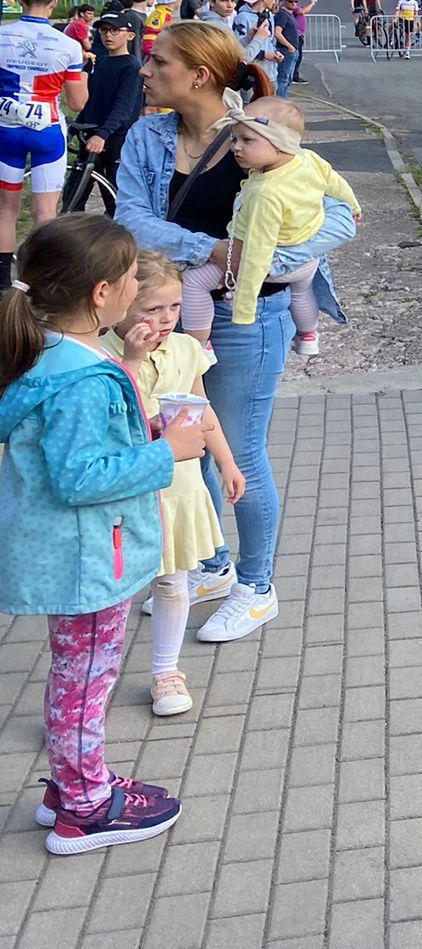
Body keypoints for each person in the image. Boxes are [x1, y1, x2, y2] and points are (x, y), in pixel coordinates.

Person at [116, 22, 356, 644]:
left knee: (240, 451)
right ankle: (214, 565)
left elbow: (338, 214)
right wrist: (218, 250)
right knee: (186, 440)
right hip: (171, 312)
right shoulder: (148, 134)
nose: (145, 70)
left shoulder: (261, 129)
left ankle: (257, 586)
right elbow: (132, 219)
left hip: (251, 315)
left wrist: (273, 261)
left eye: (158, 61)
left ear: (199, 75)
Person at [0, 215, 202, 854]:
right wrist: (166, 452)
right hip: (87, 558)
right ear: (102, 294)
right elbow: (79, 476)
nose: (136, 290)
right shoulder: (83, 379)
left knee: (78, 675)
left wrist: (147, 430)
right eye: (131, 280)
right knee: (85, 682)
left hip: (79, 552)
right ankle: (85, 810)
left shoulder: (58, 353)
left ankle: (73, 786)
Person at [112, 250, 243, 717]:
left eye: (174, 306)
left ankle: (166, 671)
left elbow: (202, 410)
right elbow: (115, 416)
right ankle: (93, 671)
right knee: (112, 588)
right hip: (124, 491)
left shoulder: (187, 348)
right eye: (151, 308)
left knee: (172, 582)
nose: (166, 318)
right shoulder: (103, 353)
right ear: (121, 304)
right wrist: (132, 358)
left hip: (177, 488)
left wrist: (227, 462)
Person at [176, 97, 359, 358]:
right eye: (235, 139)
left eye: (247, 140)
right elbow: (334, 182)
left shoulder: (266, 194)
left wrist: (244, 305)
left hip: (274, 261)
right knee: (301, 291)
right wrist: (353, 206)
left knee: (193, 281)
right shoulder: (307, 159)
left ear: (280, 142)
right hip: (306, 256)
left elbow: (256, 253)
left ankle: (198, 347)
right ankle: (308, 335)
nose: (236, 148)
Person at [0, 0, 90, 285]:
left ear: (19, 0)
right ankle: (39, 281)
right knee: (45, 212)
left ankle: (2, 284)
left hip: (6, 130)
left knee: (6, 210)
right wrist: (84, 75)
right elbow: (77, 102)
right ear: (54, 3)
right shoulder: (68, 45)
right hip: (47, 131)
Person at [72, 13, 143, 187]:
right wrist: (74, 128)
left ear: (130, 35)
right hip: (92, 132)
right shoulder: (100, 62)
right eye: (103, 30)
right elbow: (91, 102)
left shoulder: (131, 66)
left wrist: (103, 134)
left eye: (115, 30)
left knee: (114, 189)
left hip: (115, 136)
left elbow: (124, 107)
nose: (108, 35)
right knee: (75, 187)